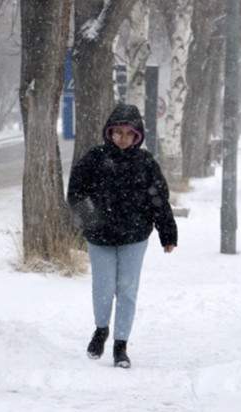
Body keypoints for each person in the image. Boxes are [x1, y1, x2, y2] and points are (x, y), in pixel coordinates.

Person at [67, 103, 177, 369]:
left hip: (135, 237)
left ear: (137, 135)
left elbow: (158, 200)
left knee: (127, 290)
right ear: (110, 132)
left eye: (129, 134)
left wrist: (167, 233)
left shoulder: (145, 163)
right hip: (100, 237)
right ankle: (101, 329)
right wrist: (93, 219)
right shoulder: (94, 159)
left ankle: (120, 345)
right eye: (118, 133)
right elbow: (76, 194)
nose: (123, 139)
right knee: (103, 287)